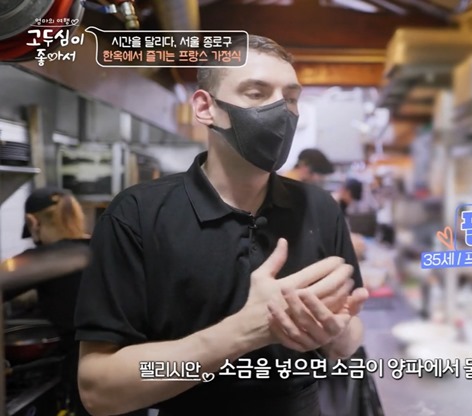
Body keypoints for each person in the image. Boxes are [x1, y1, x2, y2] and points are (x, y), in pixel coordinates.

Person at [73, 34, 368, 416]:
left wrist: (335, 334)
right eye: (257, 93)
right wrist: (242, 332)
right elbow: (98, 389)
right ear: (205, 107)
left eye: (291, 98)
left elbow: (349, 333)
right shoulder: (138, 214)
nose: (281, 110)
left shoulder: (319, 208)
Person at [4, 187, 91, 416]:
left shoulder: (46, 257)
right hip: (129, 364)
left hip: (86, 365)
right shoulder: (98, 245)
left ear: (32, 222)